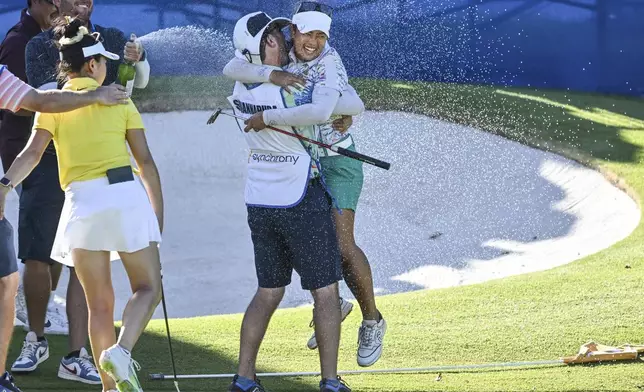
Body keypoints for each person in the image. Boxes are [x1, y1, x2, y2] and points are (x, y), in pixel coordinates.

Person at [0, 18, 162, 392]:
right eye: (103, 61)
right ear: (92, 65)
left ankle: (109, 389)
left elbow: (31, 154)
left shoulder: (52, 104)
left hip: (81, 207)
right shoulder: (118, 99)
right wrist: (158, 216)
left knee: (98, 306)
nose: (106, 67)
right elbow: (146, 164)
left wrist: (5, 184)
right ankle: (121, 351)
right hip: (124, 197)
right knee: (148, 289)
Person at [224, 0, 386, 368]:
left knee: (342, 247)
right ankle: (335, 304)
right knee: (310, 243)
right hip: (309, 167)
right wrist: (272, 76)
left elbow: (331, 108)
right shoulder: (286, 63)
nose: (312, 42)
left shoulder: (328, 61)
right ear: (292, 32)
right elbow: (231, 66)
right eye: (306, 33)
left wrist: (270, 116)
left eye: (320, 35)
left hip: (339, 163)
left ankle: (373, 320)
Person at [0, 65, 129, 392]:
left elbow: (40, 100)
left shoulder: (1, 75)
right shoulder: (33, 57)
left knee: (10, 282)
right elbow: (41, 109)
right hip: (51, 185)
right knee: (16, 276)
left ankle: (9, 374)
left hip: (84, 193)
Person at [0, 0, 69, 338]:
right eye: (53, 0)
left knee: (56, 231)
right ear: (36, 3)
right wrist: (65, 101)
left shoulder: (55, 35)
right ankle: (31, 307)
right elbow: (24, 104)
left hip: (54, 148)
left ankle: (41, 300)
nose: (60, 5)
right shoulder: (18, 42)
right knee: (40, 234)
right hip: (27, 152)